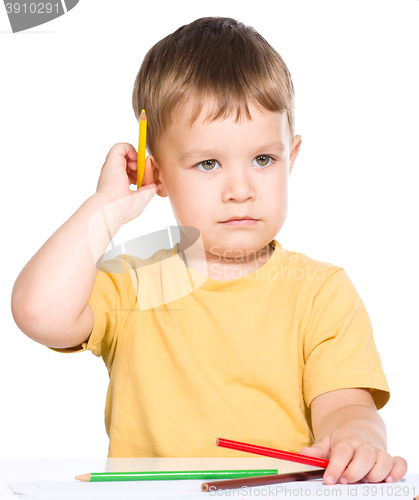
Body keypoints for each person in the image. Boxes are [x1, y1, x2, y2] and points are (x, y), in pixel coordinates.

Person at [11, 16, 407, 485]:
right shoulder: (132, 285)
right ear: (156, 174)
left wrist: (356, 439)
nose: (240, 189)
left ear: (291, 158)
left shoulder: (320, 292)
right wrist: (108, 207)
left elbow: (346, 407)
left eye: (263, 159)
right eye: (207, 163)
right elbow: (38, 312)